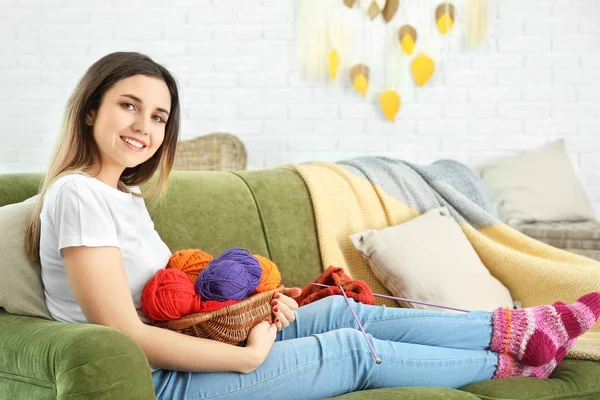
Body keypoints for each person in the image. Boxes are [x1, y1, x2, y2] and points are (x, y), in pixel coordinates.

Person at [24, 52, 600, 400]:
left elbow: (167, 305)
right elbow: (124, 335)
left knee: (341, 310)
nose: (143, 126)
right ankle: (509, 362)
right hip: (163, 381)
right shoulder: (77, 195)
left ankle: (516, 329)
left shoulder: (121, 196)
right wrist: (246, 356)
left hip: (185, 350)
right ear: (90, 109)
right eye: (128, 105)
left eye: (158, 116)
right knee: (349, 348)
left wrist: (257, 311)